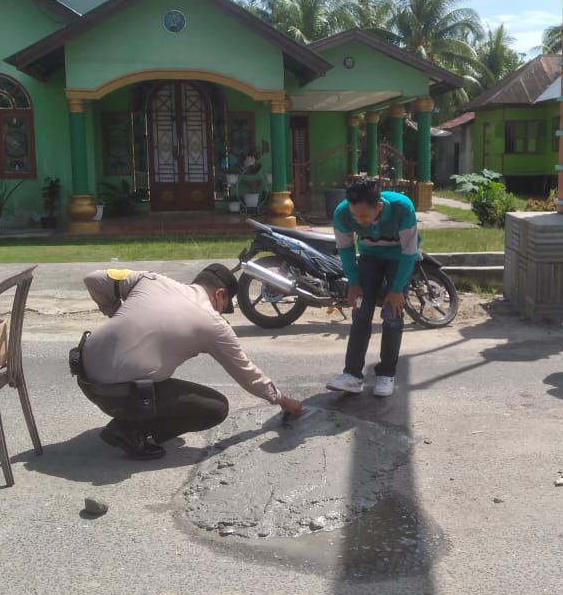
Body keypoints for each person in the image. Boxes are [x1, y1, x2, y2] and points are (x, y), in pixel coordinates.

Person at [70, 263, 302, 459]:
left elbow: (92, 279)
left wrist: (114, 311)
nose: (221, 312)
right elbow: (246, 373)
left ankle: (130, 420)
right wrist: (282, 400)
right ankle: (129, 431)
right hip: (117, 395)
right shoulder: (213, 324)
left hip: (84, 376)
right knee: (215, 408)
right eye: (224, 307)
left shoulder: (150, 280)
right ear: (220, 294)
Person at [326, 176, 420, 397]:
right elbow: (346, 249)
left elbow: (409, 251)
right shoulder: (342, 213)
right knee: (360, 312)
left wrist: (397, 290)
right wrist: (354, 282)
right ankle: (352, 375)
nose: (359, 221)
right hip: (369, 258)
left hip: (399, 259)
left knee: (392, 315)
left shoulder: (402, 207)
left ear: (378, 206)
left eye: (365, 216)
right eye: (355, 215)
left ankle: (386, 374)